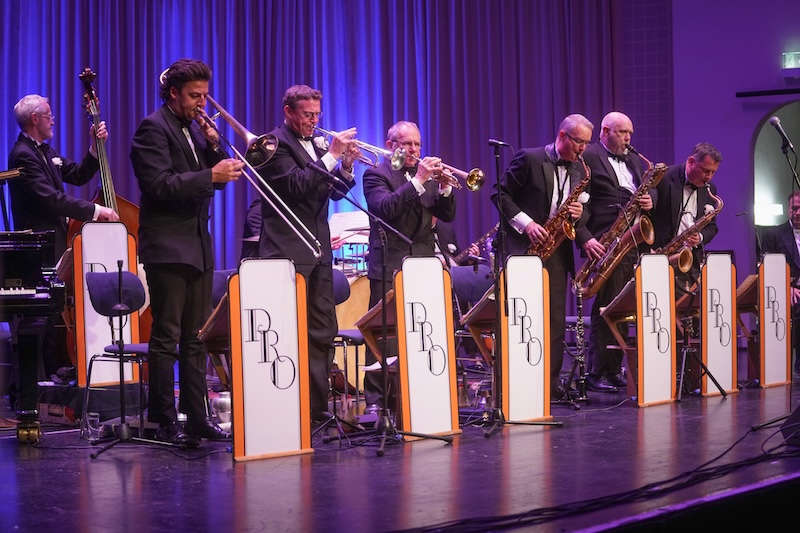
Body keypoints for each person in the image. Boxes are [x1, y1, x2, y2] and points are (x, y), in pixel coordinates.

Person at [130, 58, 243, 444]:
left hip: (197, 244)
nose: (202, 103)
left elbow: (207, 183)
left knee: (195, 337)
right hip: (167, 246)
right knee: (167, 336)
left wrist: (212, 150)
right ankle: (163, 419)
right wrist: (210, 174)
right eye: (195, 95)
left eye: (205, 95)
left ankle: (197, 417)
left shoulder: (193, 130)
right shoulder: (152, 128)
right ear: (174, 93)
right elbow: (159, 185)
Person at [255, 84, 359, 423]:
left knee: (322, 331)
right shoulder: (272, 145)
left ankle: (316, 410)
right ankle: (287, 408)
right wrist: (330, 156)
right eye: (307, 115)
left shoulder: (315, 144)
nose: (313, 122)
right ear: (288, 112)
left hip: (318, 250)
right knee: (288, 332)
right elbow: (297, 186)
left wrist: (344, 165)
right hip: (287, 250)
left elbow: (334, 192)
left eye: (317, 115)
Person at [493, 114, 592, 400]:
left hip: (557, 249)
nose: (583, 149)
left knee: (555, 319)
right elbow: (499, 193)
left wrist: (579, 214)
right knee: (521, 314)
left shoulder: (580, 169)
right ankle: (517, 380)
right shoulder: (530, 159)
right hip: (523, 246)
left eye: (586, 143)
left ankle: (550, 383)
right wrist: (528, 224)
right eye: (578, 142)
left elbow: (587, 210)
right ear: (562, 136)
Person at [362, 121, 457, 410]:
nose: (414, 149)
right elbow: (386, 209)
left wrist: (444, 189)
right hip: (389, 264)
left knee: (421, 329)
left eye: (417, 143)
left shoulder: (426, 177)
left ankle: (418, 393)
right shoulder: (375, 174)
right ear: (391, 146)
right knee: (384, 337)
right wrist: (418, 180)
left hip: (423, 263)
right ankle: (378, 402)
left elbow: (447, 215)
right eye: (407, 144)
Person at [576, 112, 654, 393]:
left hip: (632, 242)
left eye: (630, 133)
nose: (628, 138)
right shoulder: (590, 156)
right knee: (605, 306)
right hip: (606, 239)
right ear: (605, 131)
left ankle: (614, 368)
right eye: (622, 132)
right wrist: (586, 238)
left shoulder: (633, 159)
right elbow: (580, 202)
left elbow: (649, 190)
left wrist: (649, 200)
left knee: (623, 308)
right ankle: (598, 371)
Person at [8, 94, 119, 264]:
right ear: (35, 119)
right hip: (40, 249)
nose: (52, 121)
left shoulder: (45, 150)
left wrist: (96, 147)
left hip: (55, 242)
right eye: (49, 116)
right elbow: (52, 199)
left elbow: (78, 174)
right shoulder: (23, 154)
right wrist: (96, 211)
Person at [649, 142, 721, 291]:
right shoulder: (665, 178)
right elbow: (649, 216)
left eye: (713, 172)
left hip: (690, 260)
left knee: (689, 310)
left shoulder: (709, 189)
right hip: (660, 256)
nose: (709, 177)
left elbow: (712, 227)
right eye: (705, 171)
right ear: (691, 162)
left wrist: (700, 237)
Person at [758, 190, 800, 373]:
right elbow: (768, 267)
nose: (798, 212)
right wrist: (787, 287)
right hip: (787, 290)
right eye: (794, 208)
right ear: (788, 210)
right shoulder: (774, 234)